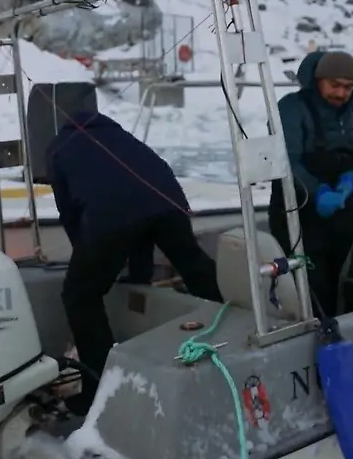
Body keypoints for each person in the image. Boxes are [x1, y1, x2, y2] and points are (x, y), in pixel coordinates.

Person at [46, 110, 223, 414]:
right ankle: (231, 331)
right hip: (169, 202)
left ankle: (100, 385)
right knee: (193, 265)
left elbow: (71, 214)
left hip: (113, 217)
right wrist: (138, 277)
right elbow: (141, 203)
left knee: (79, 295)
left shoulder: (58, 148)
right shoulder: (120, 136)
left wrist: (88, 260)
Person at [268, 50, 353, 316]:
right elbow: (286, 161)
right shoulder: (291, 108)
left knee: (350, 280)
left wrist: (351, 181)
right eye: (335, 85)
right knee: (313, 290)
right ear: (318, 80)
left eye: (348, 87)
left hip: (341, 213)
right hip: (298, 216)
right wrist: (318, 192)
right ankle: (316, 339)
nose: (342, 94)